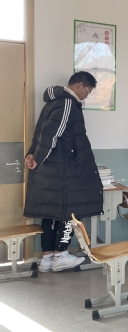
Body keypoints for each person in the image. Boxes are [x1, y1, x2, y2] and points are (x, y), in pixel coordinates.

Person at [24, 71, 103, 272]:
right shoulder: (68, 103)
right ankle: (60, 254)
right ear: (79, 85)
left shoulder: (52, 103)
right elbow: (50, 135)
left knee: (51, 213)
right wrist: (36, 157)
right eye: (88, 90)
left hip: (52, 169)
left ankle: (47, 259)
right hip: (64, 170)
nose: (87, 95)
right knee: (70, 211)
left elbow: (40, 133)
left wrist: (32, 154)